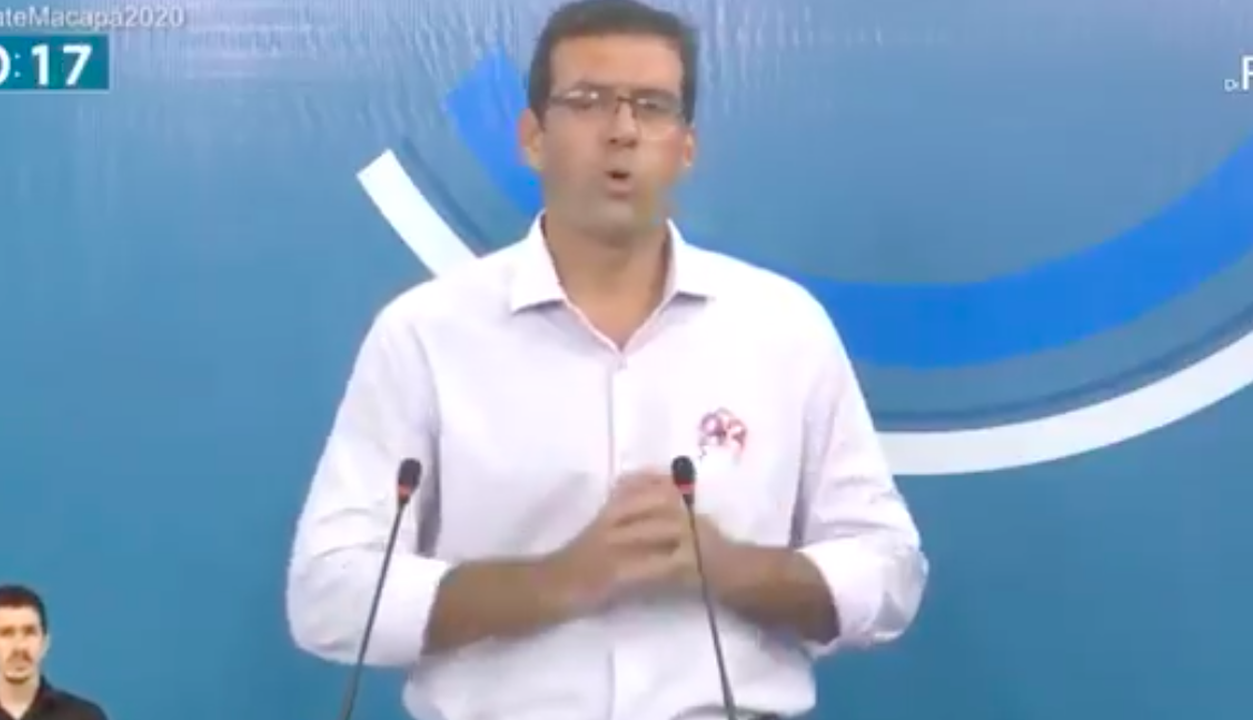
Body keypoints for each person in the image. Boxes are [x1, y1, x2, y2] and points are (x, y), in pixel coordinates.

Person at [286, 0, 928, 717]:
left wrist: (730, 567)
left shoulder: (782, 327)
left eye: (651, 106)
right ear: (533, 138)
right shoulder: (426, 334)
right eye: (588, 101)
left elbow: (890, 571)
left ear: (686, 147)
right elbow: (328, 594)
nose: (622, 130)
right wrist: (557, 581)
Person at [0, 585, 106, 720]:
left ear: (45, 642)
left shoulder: (84, 716)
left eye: (29, 632)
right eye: (6, 633)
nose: (19, 646)